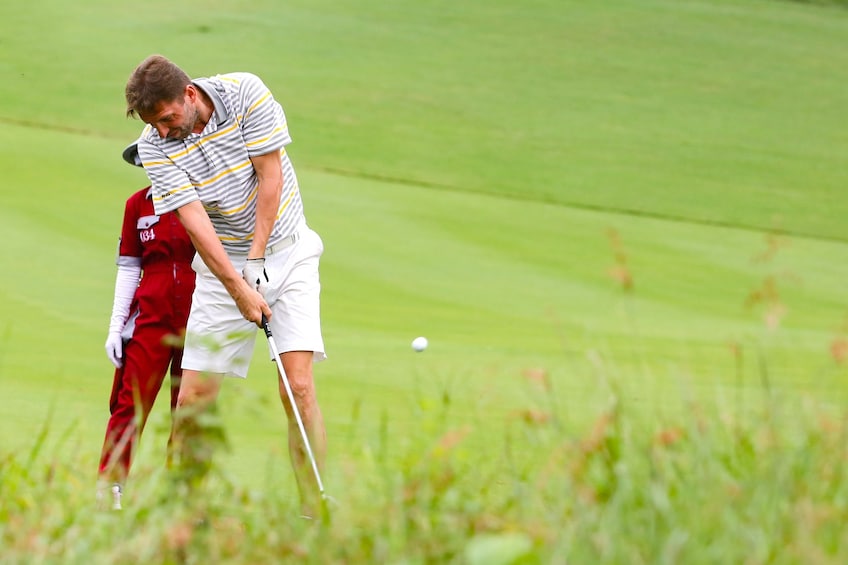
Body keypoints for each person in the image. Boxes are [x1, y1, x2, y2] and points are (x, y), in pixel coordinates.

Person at [124, 54, 328, 516]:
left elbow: (270, 175)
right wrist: (238, 283)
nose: (162, 131)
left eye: (168, 118)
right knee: (194, 396)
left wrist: (257, 258)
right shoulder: (155, 146)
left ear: (190, 95)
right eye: (153, 123)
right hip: (223, 270)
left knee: (297, 387)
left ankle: (315, 508)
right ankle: (179, 514)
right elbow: (195, 220)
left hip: (289, 253)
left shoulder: (245, 92)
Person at [97, 143, 196, 510]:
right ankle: (110, 487)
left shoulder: (202, 198)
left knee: (187, 407)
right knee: (130, 403)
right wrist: (115, 326)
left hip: (197, 316)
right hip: (149, 318)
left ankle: (181, 496)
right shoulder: (137, 204)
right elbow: (128, 268)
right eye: (148, 161)